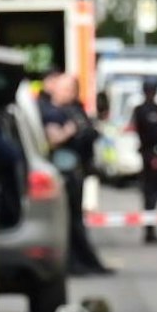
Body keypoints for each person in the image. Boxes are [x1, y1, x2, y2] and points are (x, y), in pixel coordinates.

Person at [40, 74, 109, 276]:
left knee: (75, 220)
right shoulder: (50, 111)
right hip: (62, 172)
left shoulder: (74, 109)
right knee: (68, 221)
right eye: (65, 89)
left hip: (76, 170)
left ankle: (86, 261)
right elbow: (54, 139)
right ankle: (74, 262)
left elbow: (90, 134)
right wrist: (70, 131)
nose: (69, 94)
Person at [133, 78, 157, 245]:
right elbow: (150, 132)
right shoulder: (142, 110)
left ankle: (151, 228)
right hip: (149, 154)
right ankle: (149, 230)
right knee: (150, 194)